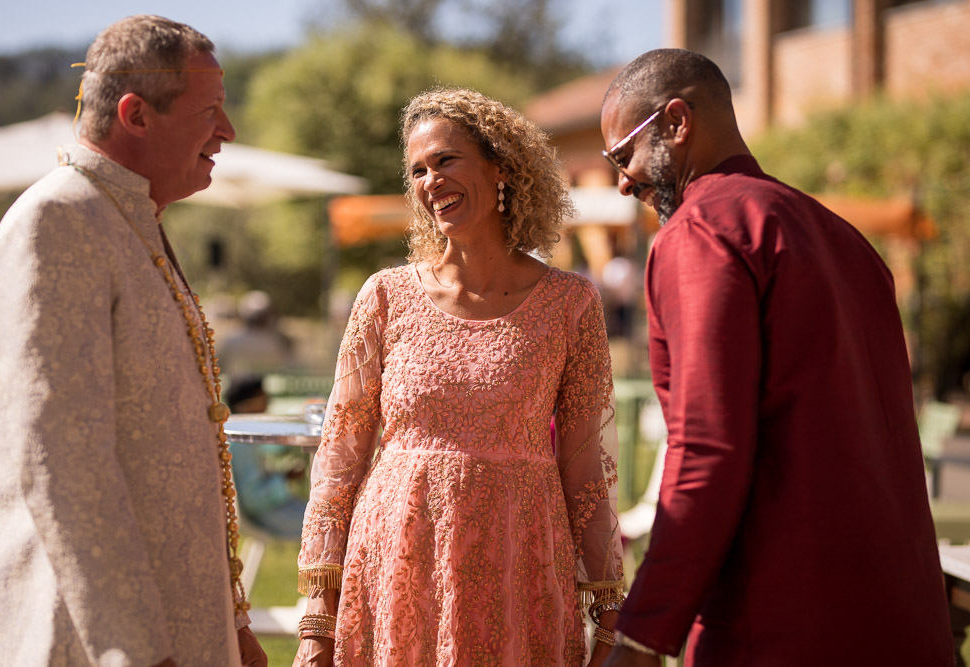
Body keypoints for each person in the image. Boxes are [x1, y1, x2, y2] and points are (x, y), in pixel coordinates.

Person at [599, 49, 953, 666]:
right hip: (904, 614)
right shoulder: (849, 240)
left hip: (782, 620)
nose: (622, 181)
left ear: (677, 122)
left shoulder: (701, 231)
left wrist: (641, 633)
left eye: (621, 155)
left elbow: (708, 446)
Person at [0, 15, 267, 666]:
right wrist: (131, 650)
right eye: (211, 111)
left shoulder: (122, 217)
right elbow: (64, 465)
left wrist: (231, 622)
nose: (228, 132)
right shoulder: (58, 221)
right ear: (135, 115)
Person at [293, 87, 624, 666]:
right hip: (397, 564)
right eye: (417, 170)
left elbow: (585, 468)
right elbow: (340, 459)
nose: (430, 182)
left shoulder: (571, 303)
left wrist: (611, 616)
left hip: (519, 569)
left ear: (501, 168)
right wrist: (317, 622)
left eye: (445, 161)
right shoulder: (384, 297)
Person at [226, 374, 309, 539]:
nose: (268, 402)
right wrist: (285, 478)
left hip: (274, 509)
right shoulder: (241, 445)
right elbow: (254, 500)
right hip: (267, 514)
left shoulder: (245, 437)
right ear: (245, 406)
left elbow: (270, 450)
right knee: (330, 523)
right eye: (262, 397)